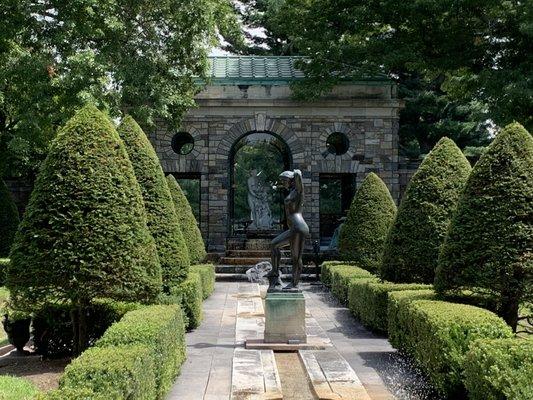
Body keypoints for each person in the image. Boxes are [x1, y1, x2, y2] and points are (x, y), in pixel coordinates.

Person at [267, 169, 309, 291]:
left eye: (284, 180)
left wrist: (297, 173)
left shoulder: (298, 191)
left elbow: (299, 177)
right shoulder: (291, 192)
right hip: (294, 228)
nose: (283, 183)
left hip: (299, 228)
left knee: (296, 257)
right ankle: (274, 272)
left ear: (291, 181)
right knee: (274, 244)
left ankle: (294, 284)